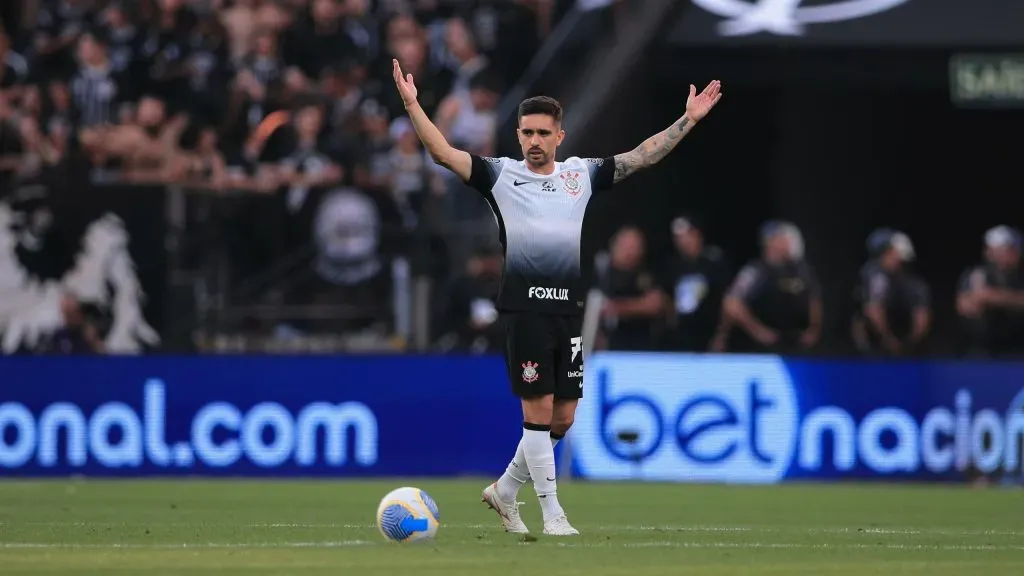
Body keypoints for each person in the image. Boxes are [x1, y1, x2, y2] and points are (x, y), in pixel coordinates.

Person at [393, 59, 722, 535]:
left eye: (543, 133)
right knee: (538, 412)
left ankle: (506, 490)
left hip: (567, 311)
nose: (534, 141)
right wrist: (412, 105)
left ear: (559, 137)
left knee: (563, 420)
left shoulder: (579, 175)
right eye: (527, 132)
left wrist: (687, 120)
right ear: (518, 135)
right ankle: (552, 515)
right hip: (524, 309)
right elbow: (443, 153)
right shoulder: (500, 175)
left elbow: (641, 156)